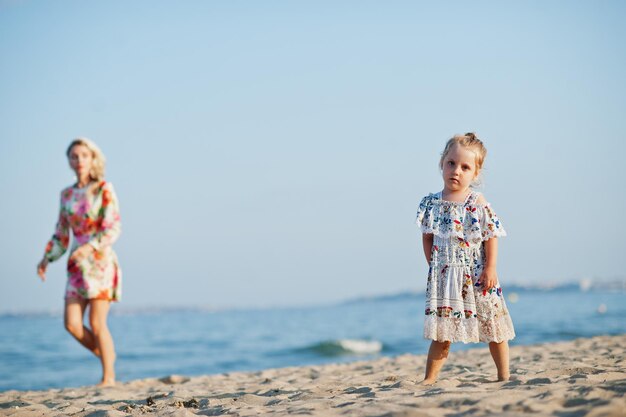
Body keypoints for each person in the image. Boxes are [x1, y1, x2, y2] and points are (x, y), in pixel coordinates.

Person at [416, 133, 515, 385]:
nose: (456, 171)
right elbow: (427, 237)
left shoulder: (475, 202)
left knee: (493, 325)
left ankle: (503, 375)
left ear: (475, 173)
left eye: (465, 167)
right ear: (442, 163)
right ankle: (429, 378)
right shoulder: (431, 203)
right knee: (442, 332)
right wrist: (435, 267)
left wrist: (491, 268)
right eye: (451, 163)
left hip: (478, 273)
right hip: (445, 276)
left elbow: (491, 234)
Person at [37, 138, 122, 387]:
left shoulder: (104, 189)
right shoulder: (66, 194)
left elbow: (114, 227)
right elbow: (62, 233)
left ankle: (108, 377)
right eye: (74, 156)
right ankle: (107, 354)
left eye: (84, 155)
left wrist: (90, 247)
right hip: (76, 265)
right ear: (69, 162)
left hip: (100, 261)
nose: (79, 160)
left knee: (97, 323)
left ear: (92, 158)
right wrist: (47, 258)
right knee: (72, 324)